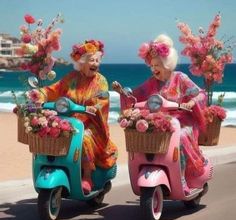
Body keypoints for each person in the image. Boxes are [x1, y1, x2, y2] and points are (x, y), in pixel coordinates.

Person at [112, 34, 207, 195]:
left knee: (182, 137)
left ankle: (182, 177)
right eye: (152, 65)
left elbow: (200, 94)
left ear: (167, 64)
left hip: (181, 121)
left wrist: (191, 102)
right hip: (159, 121)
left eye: (158, 65)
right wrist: (122, 92)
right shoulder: (151, 82)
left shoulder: (180, 78)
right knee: (143, 134)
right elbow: (134, 96)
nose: (154, 68)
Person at [33, 39, 118, 194]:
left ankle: (87, 175)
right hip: (68, 120)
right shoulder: (71, 77)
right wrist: (40, 95)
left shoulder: (101, 81)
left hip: (92, 124)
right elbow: (54, 89)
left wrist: (94, 107)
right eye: (91, 60)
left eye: (97, 60)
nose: (95, 63)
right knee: (48, 129)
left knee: (83, 137)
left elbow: (103, 100)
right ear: (82, 62)